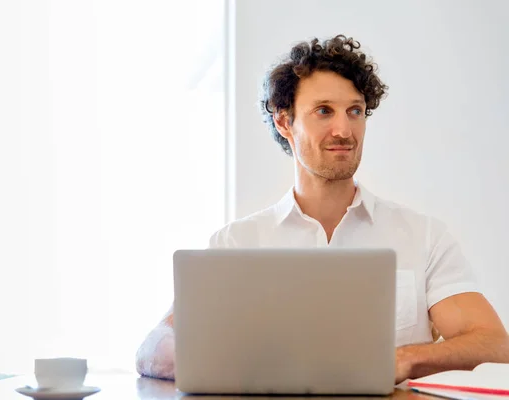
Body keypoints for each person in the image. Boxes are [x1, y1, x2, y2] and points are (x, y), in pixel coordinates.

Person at [135, 34, 509, 384]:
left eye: (356, 111)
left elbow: (493, 342)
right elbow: (155, 348)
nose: (345, 130)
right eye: (324, 111)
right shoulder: (236, 243)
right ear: (285, 121)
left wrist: (404, 359)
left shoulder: (424, 237)